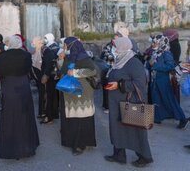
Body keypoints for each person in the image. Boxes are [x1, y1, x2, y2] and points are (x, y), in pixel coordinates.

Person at [105, 37, 153, 167]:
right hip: (116, 102)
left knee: (136, 130)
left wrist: (119, 85)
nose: (113, 49)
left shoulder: (133, 62)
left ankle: (145, 156)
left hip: (130, 102)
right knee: (117, 128)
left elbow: (140, 83)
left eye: (115, 46)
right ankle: (119, 154)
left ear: (123, 47)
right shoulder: (119, 60)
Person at [0, 35, 39, 159]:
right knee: (25, 116)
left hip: (9, 88)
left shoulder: (3, 57)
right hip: (23, 87)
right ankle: (27, 148)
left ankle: (11, 150)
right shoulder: (26, 55)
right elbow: (29, 70)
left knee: (10, 117)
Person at [58, 37, 97, 156]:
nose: (64, 48)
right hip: (70, 92)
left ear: (71, 46)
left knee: (81, 119)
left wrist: (76, 73)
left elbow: (93, 70)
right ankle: (73, 142)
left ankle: (81, 144)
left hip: (82, 94)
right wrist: (61, 60)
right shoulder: (69, 57)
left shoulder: (83, 57)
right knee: (73, 119)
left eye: (65, 45)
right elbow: (63, 70)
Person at [147, 35, 189, 129]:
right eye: (153, 42)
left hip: (163, 81)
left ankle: (182, 119)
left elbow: (170, 66)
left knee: (169, 100)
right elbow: (150, 64)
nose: (153, 44)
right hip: (155, 80)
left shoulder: (166, 53)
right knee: (156, 99)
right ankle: (158, 117)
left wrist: (155, 66)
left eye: (155, 42)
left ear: (161, 43)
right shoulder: (156, 52)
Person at [40, 33, 60, 124]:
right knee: (55, 95)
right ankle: (55, 113)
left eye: (45, 38)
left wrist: (45, 75)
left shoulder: (48, 49)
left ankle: (49, 116)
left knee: (49, 95)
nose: (44, 40)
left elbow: (48, 64)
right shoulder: (57, 47)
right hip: (56, 75)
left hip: (50, 75)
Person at [163, 29, 181, 103]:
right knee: (175, 90)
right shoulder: (176, 43)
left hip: (172, 70)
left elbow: (171, 59)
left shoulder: (172, 45)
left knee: (172, 89)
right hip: (175, 69)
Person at [30, 36, 45, 118]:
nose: (32, 43)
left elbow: (40, 65)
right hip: (37, 77)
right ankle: (41, 111)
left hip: (40, 76)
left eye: (34, 42)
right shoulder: (35, 51)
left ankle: (42, 112)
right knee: (41, 94)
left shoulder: (41, 52)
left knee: (43, 95)